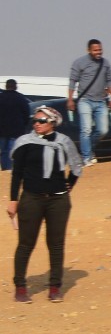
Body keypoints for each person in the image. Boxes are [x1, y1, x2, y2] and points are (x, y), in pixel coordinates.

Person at [11, 105, 81, 302]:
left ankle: (54, 287)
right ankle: (21, 287)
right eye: (35, 120)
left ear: (52, 123)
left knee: (56, 244)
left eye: (41, 121)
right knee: (26, 244)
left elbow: (76, 167)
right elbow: (17, 174)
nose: (36, 124)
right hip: (32, 198)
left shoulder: (64, 142)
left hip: (58, 200)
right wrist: (13, 200)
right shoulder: (25, 142)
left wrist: (69, 186)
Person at [67, 38, 111, 167]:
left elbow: (109, 81)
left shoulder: (106, 63)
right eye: (96, 50)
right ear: (89, 50)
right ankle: (86, 158)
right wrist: (70, 99)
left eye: (100, 49)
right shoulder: (79, 63)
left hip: (101, 101)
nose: (99, 52)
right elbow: (72, 82)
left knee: (103, 130)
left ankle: (88, 150)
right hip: (84, 100)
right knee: (86, 129)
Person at [0, 80, 29, 171]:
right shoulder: (21, 98)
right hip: (16, 129)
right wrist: (24, 124)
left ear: (6, 86)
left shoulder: (1, 97)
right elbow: (26, 114)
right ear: (15, 87)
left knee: (4, 150)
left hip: (2, 130)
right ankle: (11, 168)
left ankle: (5, 168)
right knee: (12, 150)